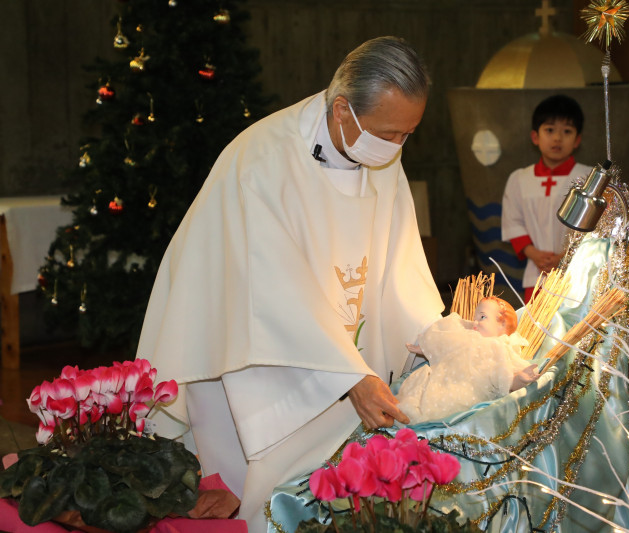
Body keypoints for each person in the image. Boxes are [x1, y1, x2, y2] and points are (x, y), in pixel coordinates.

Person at [135, 36, 444, 531]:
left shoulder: (381, 154)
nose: (395, 147)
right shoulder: (261, 160)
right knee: (257, 479)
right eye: (389, 134)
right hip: (242, 346)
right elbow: (269, 292)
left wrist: (436, 337)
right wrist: (348, 375)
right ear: (342, 110)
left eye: (408, 134)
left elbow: (400, 261)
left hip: (339, 348)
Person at [501, 94, 592, 302]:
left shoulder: (587, 178)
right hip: (537, 272)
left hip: (576, 272)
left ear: (577, 140)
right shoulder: (520, 179)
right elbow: (513, 222)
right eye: (550, 130)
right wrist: (534, 253)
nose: (557, 138)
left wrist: (565, 256)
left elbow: (594, 227)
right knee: (535, 320)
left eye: (567, 131)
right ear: (535, 137)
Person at [397, 297, 539, 423]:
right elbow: (447, 345)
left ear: (502, 325)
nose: (475, 322)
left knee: (443, 402)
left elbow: (506, 377)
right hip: (444, 377)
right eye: (475, 317)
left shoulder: (501, 347)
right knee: (420, 391)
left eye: (482, 317)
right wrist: (426, 348)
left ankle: (424, 414)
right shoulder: (466, 335)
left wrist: (519, 378)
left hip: (470, 388)